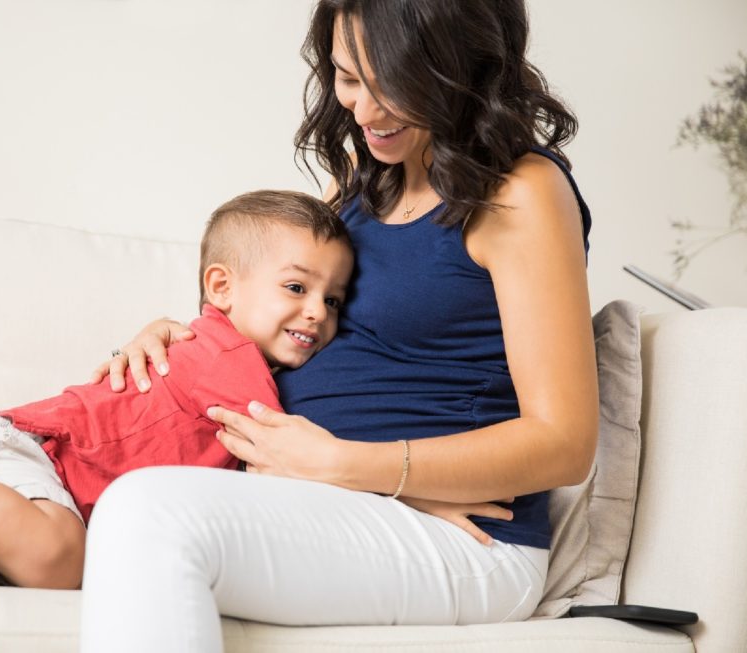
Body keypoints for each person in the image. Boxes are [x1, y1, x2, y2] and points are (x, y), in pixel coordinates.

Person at [81, 0, 598, 651]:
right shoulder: (356, 187)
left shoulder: (520, 191)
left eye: (396, 85)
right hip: (337, 496)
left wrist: (346, 465)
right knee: (88, 491)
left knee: (148, 513)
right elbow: (272, 317)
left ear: (461, 68)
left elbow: (565, 441)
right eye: (349, 78)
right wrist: (177, 330)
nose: (365, 111)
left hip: (471, 540)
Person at [0, 189, 354, 589]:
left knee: (58, 564)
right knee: (64, 556)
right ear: (221, 286)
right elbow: (285, 468)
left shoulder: (212, 348)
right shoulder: (229, 359)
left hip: (8, 488)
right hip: (17, 454)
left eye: (334, 300)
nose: (317, 313)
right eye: (296, 286)